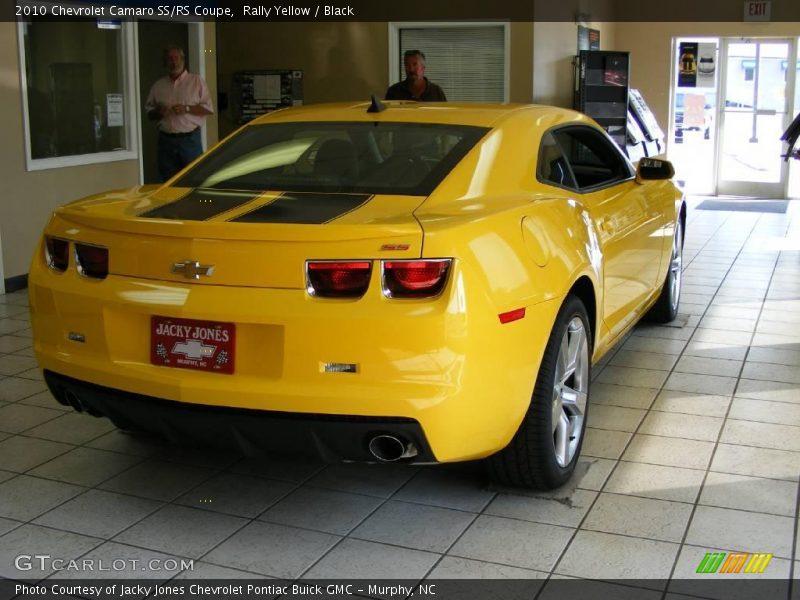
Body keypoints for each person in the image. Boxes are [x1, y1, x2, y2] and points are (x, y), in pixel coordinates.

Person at [145, 45, 214, 181]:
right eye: (169, 59)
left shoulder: (196, 81)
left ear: (182, 60)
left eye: (176, 58)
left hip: (190, 140)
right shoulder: (159, 85)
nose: (173, 62)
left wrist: (186, 109)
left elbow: (208, 109)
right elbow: (149, 114)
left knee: (194, 179)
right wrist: (159, 112)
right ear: (165, 62)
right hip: (166, 141)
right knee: (168, 181)